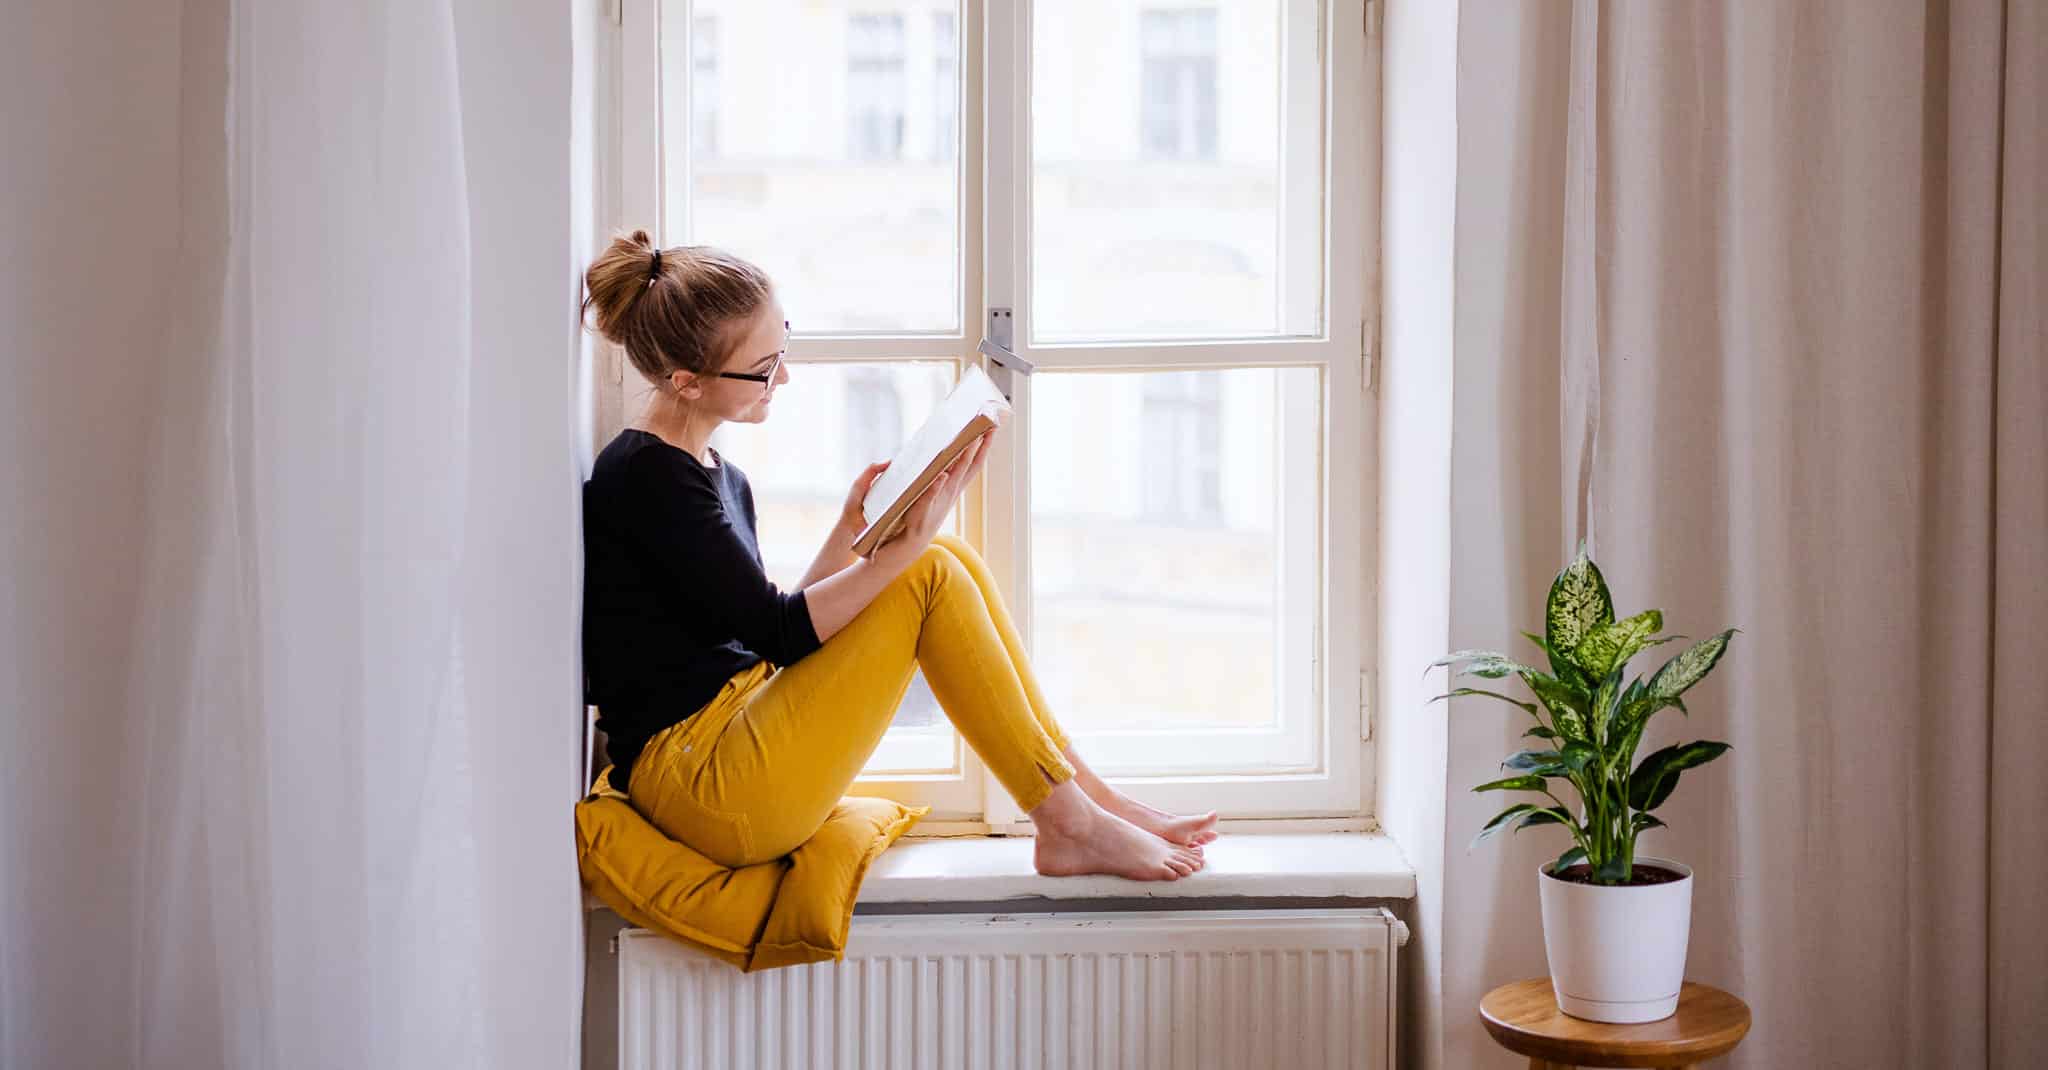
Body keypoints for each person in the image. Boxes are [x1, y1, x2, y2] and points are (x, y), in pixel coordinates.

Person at [580, 232, 1217, 882]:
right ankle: (1070, 822)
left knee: (947, 557)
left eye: (784, 347)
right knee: (929, 568)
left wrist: (850, 529)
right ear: (687, 383)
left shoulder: (712, 472)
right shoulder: (645, 477)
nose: (785, 377)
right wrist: (899, 552)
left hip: (724, 740)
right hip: (702, 786)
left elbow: (759, 637)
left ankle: (1090, 802)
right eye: (766, 367)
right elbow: (778, 632)